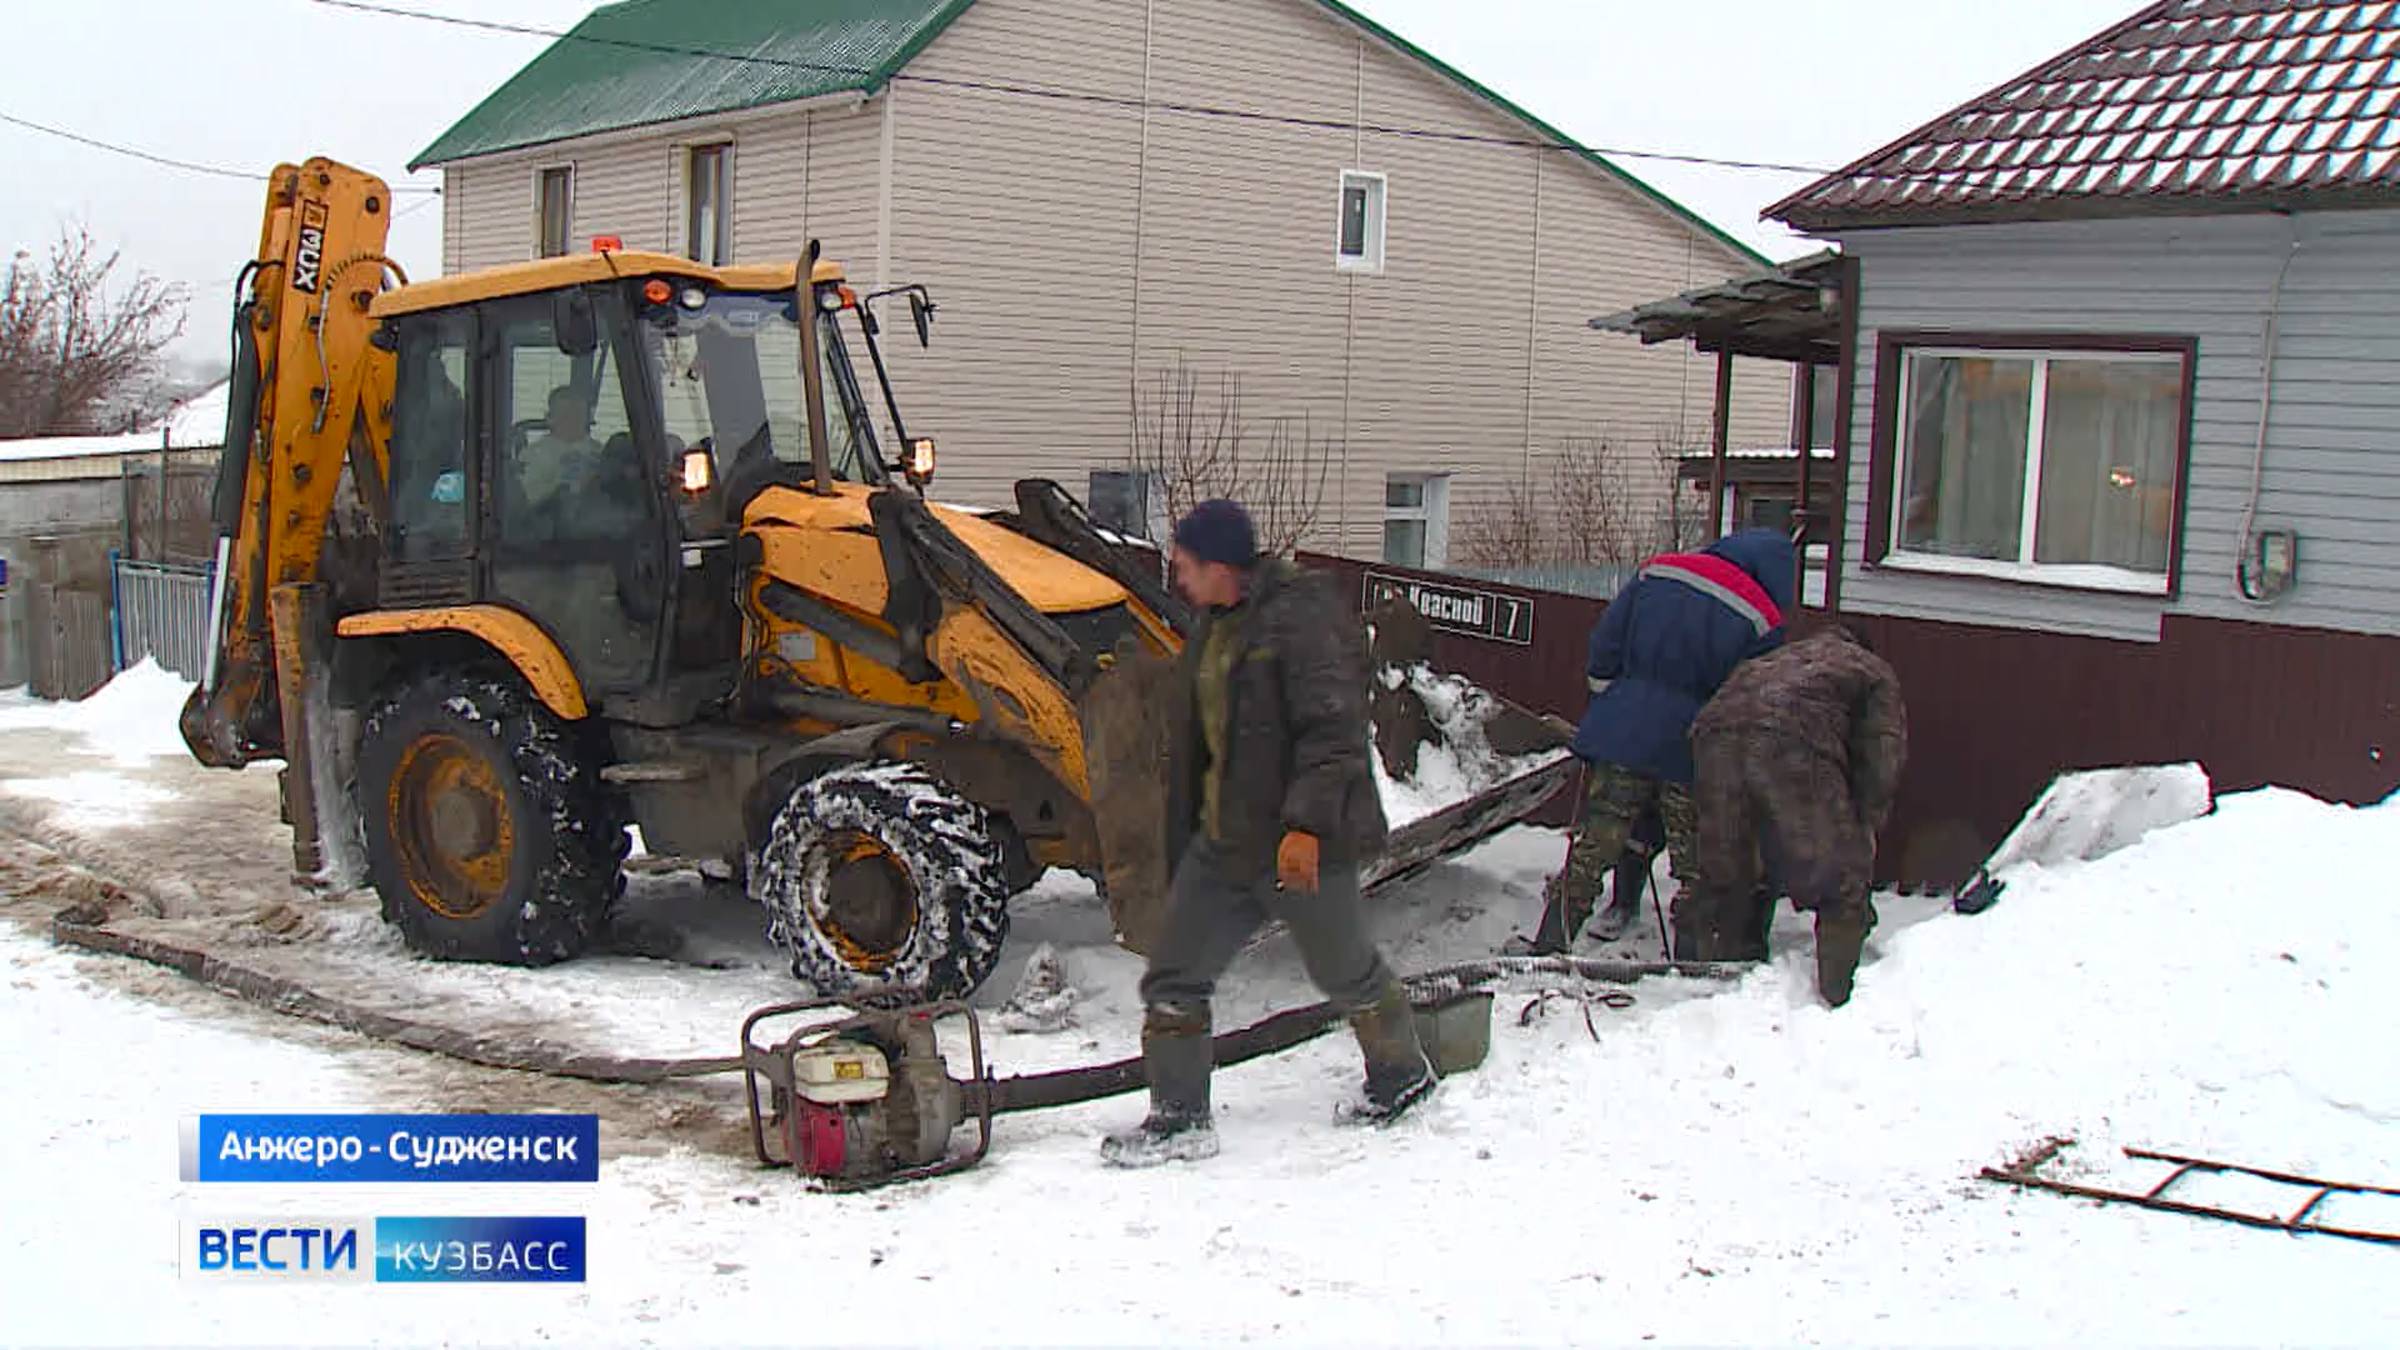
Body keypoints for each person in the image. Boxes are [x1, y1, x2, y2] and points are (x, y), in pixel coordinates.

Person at [1101, 500, 1435, 1168]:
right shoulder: (1214, 625)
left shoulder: (1300, 620)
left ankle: (1402, 1074)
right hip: (1226, 842)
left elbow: (1333, 733)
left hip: (1299, 842)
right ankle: (1179, 1117)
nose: (1179, 578)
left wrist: (1306, 827)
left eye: (1187, 566)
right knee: (1174, 973)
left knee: (1344, 968)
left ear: (1222, 565)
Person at [1506, 529, 1796, 958]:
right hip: (1691, 749)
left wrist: (1610, 703)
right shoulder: (1762, 618)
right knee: (1694, 860)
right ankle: (1692, 955)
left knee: (1596, 840)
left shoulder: (1660, 571)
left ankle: (1552, 940)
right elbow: (1748, 699)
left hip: (1624, 731)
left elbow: (1606, 642)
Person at [1686, 624, 1907, 1006]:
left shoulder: (1770, 662)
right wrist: (1865, 821)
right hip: (1790, 742)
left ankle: (1703, 991)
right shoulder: (1871, 669)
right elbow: (1882, 757)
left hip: (1713, 737)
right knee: (1842, 882)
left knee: (1727, 876)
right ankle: (1841, 1001)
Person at [521, 384, 605, 508]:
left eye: (578, 414)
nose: (573, 420)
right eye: (566, 414)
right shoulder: (532, 455)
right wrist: (558, 485)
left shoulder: (601, 453)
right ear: (550, 418)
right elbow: (526, 498)